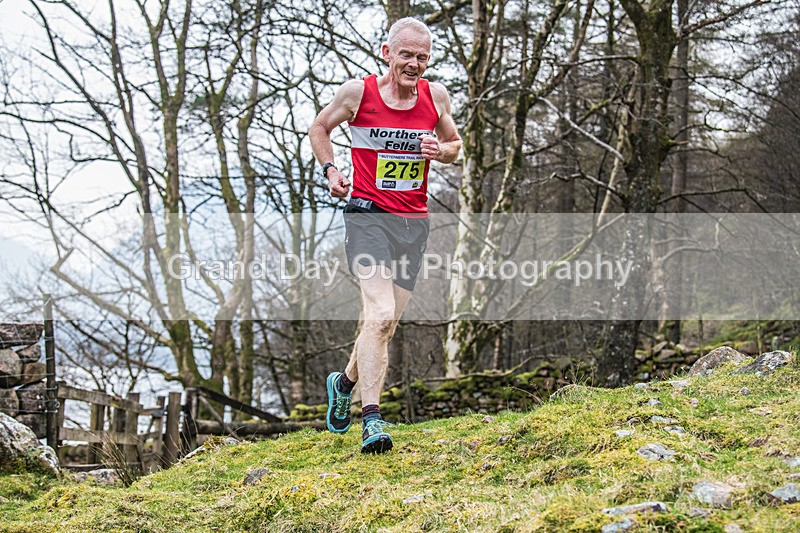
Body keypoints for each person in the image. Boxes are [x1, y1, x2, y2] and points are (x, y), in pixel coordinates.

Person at [309, 17, 462, 454]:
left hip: (413, 223)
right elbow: (319, 128)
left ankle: (343, 383)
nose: (414, 63)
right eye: (406, 54)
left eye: (422, 57)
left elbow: (455, 145)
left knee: (386, 324)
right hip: (367, 216)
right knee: (378, 314)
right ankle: (372, 419)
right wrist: (331, 170)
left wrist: (440, 151)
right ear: (387, 53)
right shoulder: (358, 94)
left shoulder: (435, 96)